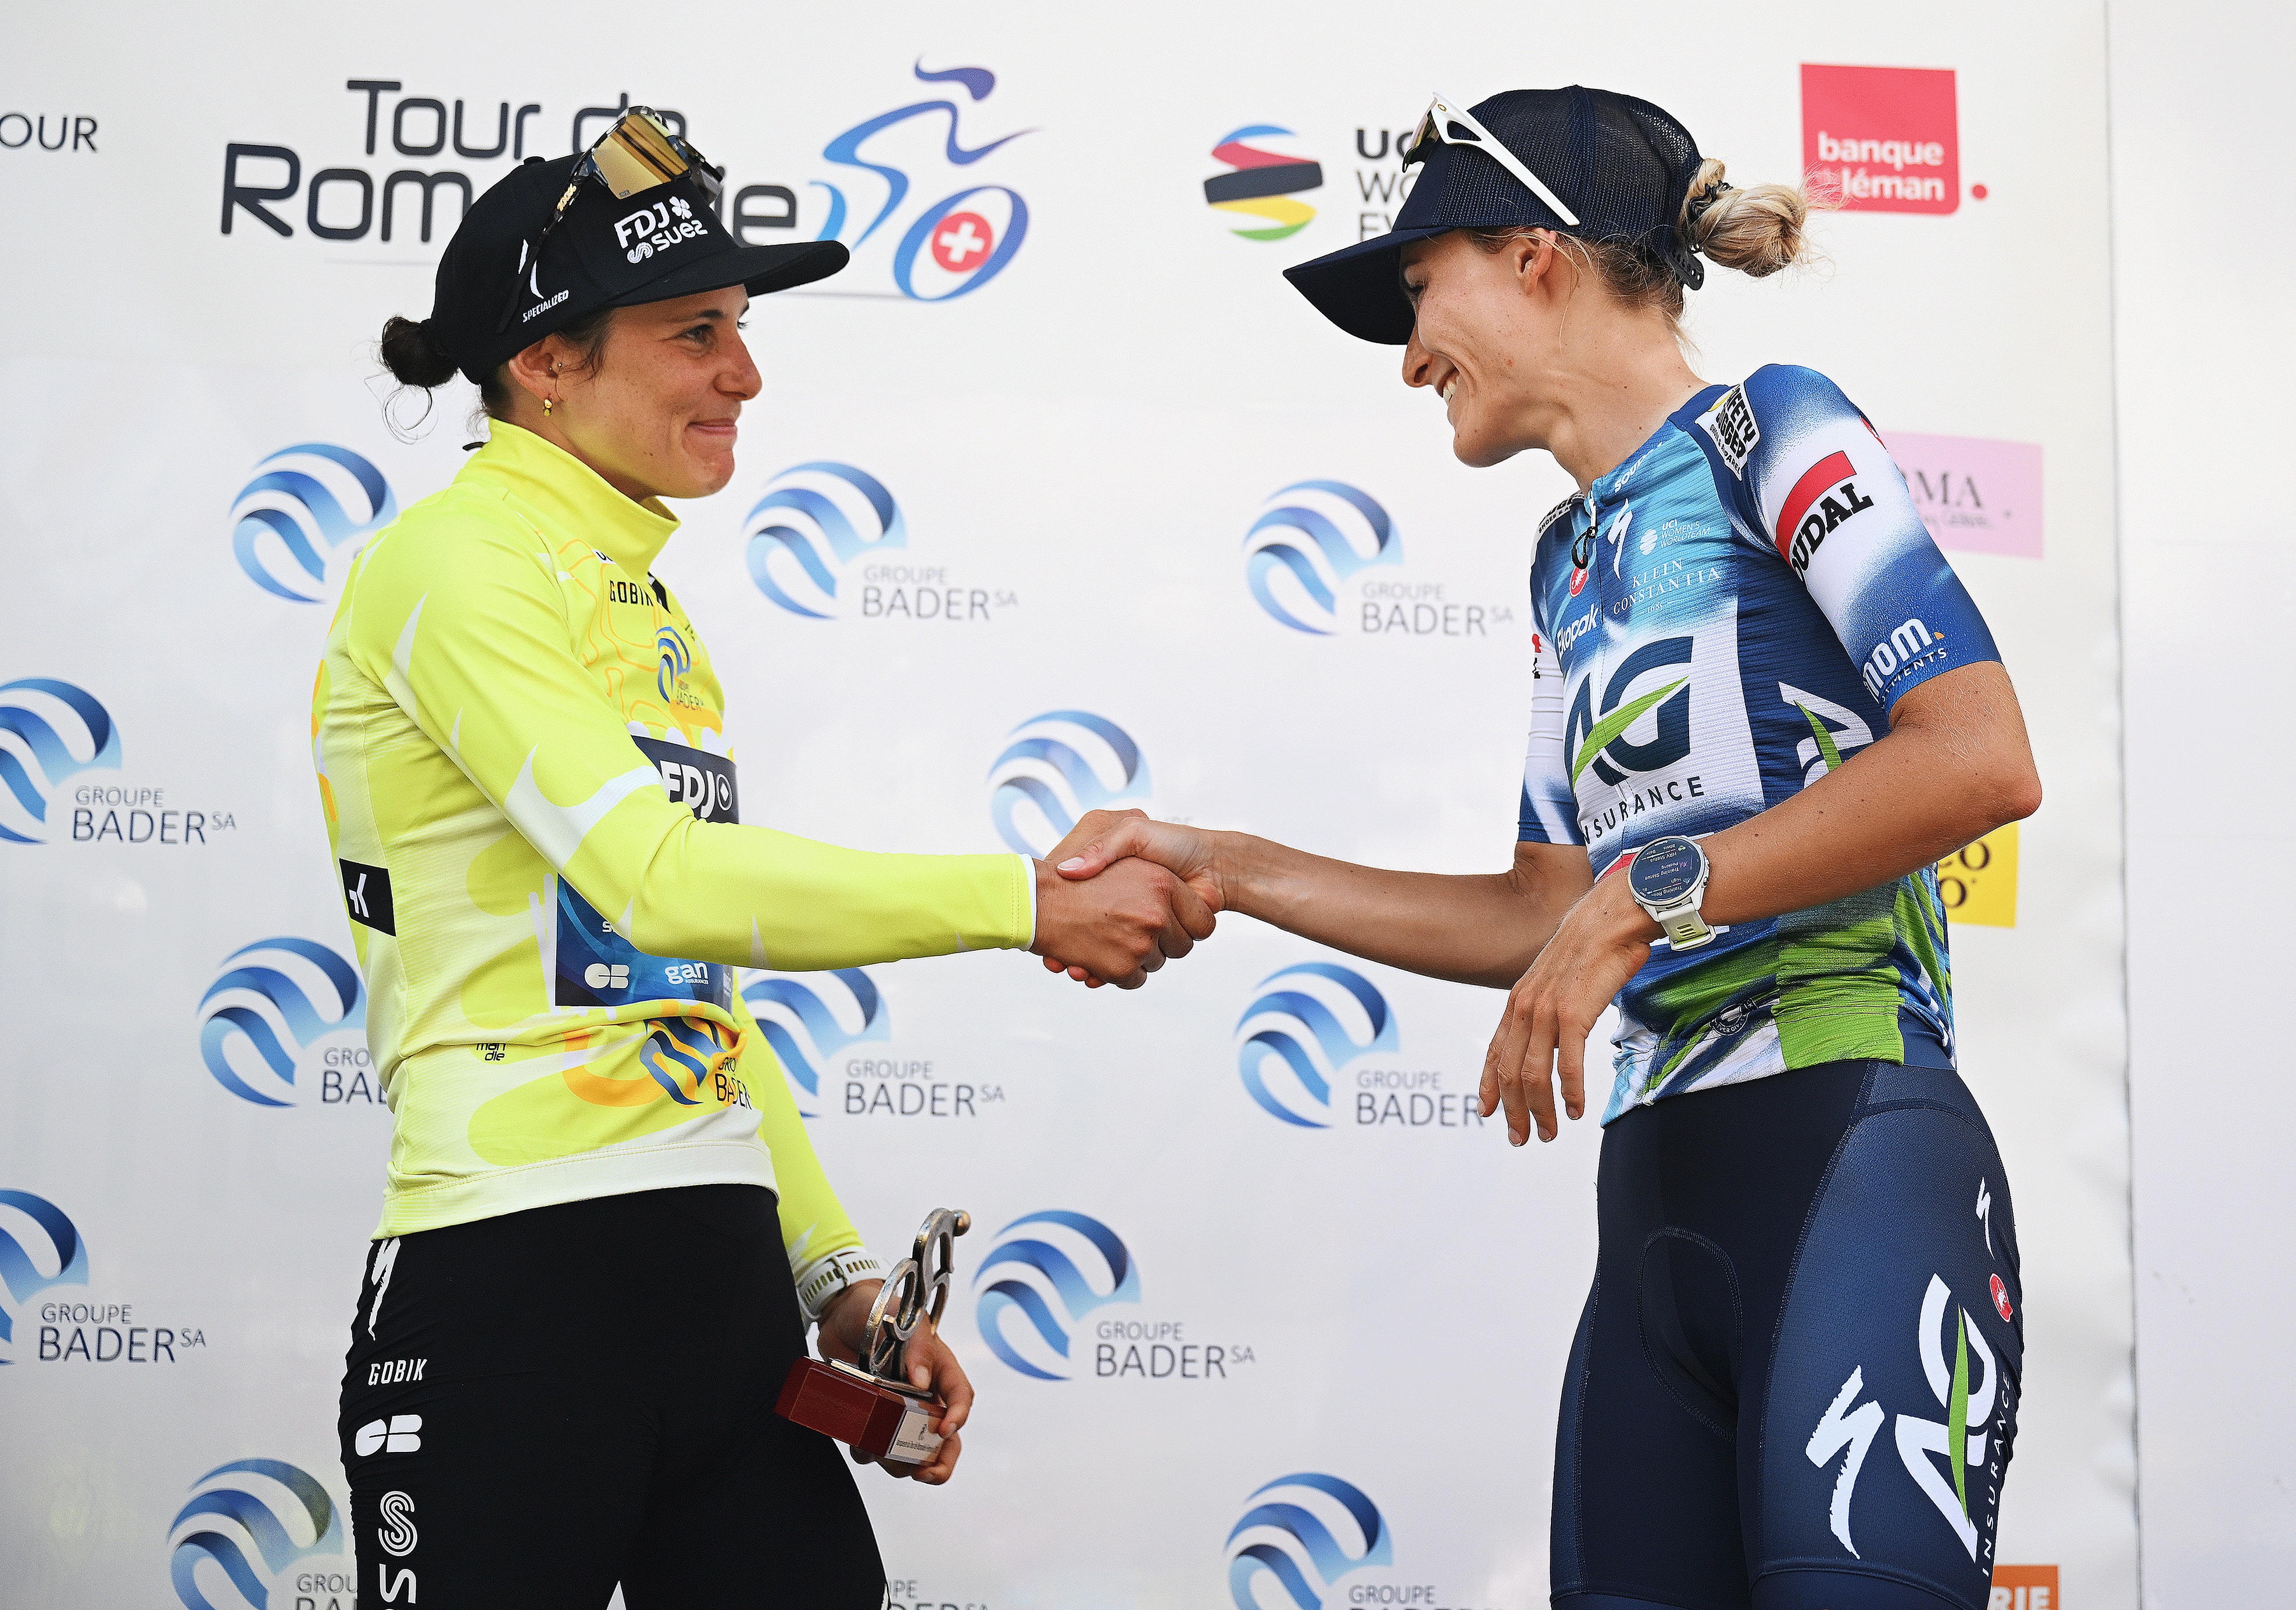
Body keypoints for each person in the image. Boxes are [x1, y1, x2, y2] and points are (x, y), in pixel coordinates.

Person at [1047, 88, 2039, 1610]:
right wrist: (1220, 864)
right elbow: (1537, 912)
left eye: (1416, 289)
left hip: (1844, 1143)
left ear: (1534, 256)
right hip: (1656, 1200)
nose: (1406, 352)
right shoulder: (1566, 556)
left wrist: (1649, 898)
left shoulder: (1771, 430)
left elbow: (1976, 756)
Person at [316, 110, 1213, 1608]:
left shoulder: (650, 614)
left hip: (714, 1284)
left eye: (738, 328)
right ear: (547, 362)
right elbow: (664, 880)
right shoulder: (453, 566)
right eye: (695, 332)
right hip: (512, 1285)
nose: (745, 374)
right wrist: (1020, 903)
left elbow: (691, 989)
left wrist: (836, 1285)